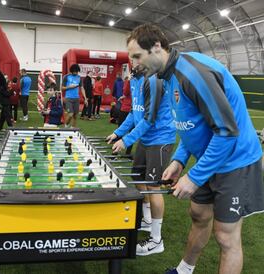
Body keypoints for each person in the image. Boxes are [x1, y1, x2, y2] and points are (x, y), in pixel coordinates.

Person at [127, 23, 263, 274]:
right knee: (199, 215)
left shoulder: (192, 73)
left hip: (236, 161)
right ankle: (184, 270)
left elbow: (226, 131)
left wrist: (195, 177)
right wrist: (179, 161)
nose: (134, 64)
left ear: (156, 47)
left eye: (137, 56)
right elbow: (189, 125)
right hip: (210, 157)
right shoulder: (166, 76)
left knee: (225, 236)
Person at [106, 69, 176, 256]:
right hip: (145, 139)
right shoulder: (135, 80)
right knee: (139, 180)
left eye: (136, 56)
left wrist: (127, 140)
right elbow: (134, 113)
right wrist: (119, 132)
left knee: (153, 187)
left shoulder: (154, 81)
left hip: (160, 138)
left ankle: (156, 239)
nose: (132, 62)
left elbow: (148, 120)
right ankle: (146, 220)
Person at [117, 75, 133, 155]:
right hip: (131, 108)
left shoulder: (130, 82)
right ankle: (127, 152)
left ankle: (117, 150)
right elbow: (126, 93)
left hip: (127, 108)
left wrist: (129, 81)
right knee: (131, 131)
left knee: (121, 130)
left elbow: (126, 92)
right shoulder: (139, 82)